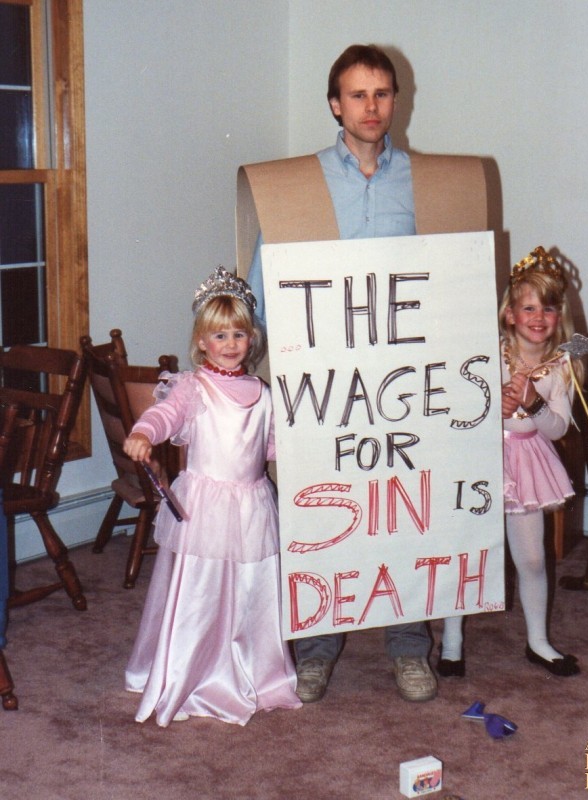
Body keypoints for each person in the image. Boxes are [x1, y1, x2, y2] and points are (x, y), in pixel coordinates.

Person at [248, 44, 437, 704]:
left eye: (381, 93)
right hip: (323, 377)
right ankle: (317, 649)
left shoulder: (425, 181)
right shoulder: (298, 184)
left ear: (395, 100)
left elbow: (451, 276)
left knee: (404, 509)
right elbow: (263, 283)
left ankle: (408, 647)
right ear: (335, 104)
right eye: (357, 95)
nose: (371, 106)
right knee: (325, 510)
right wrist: (242, 367)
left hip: (402, 377)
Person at [124, 266, 302, 726]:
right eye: (219, 335)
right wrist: (143, 432)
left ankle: (255, 672)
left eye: (239, 334)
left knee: (251, 589)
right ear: (202, 341)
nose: (230, 343)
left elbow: (269, 446)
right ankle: (192, 670)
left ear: (252, 338)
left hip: (252, 504)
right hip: (206, 506)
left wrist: (308, 447)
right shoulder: (192, 386)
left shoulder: (262, 392)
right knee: (200, 591)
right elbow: (165, 415)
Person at [437, 246, 582, 678]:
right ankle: (451, 641)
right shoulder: (489, 352)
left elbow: (557, 428)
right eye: (529, 307)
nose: (539, 317)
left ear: (559, 315)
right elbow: (457, 404)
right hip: (479, 457)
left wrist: (533, 403)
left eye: (548, 308)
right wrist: (491, 405)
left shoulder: (561, 364)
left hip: (527, 463)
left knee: (533, 558)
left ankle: (538, 641)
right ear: (509, 314)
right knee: (466, 550)